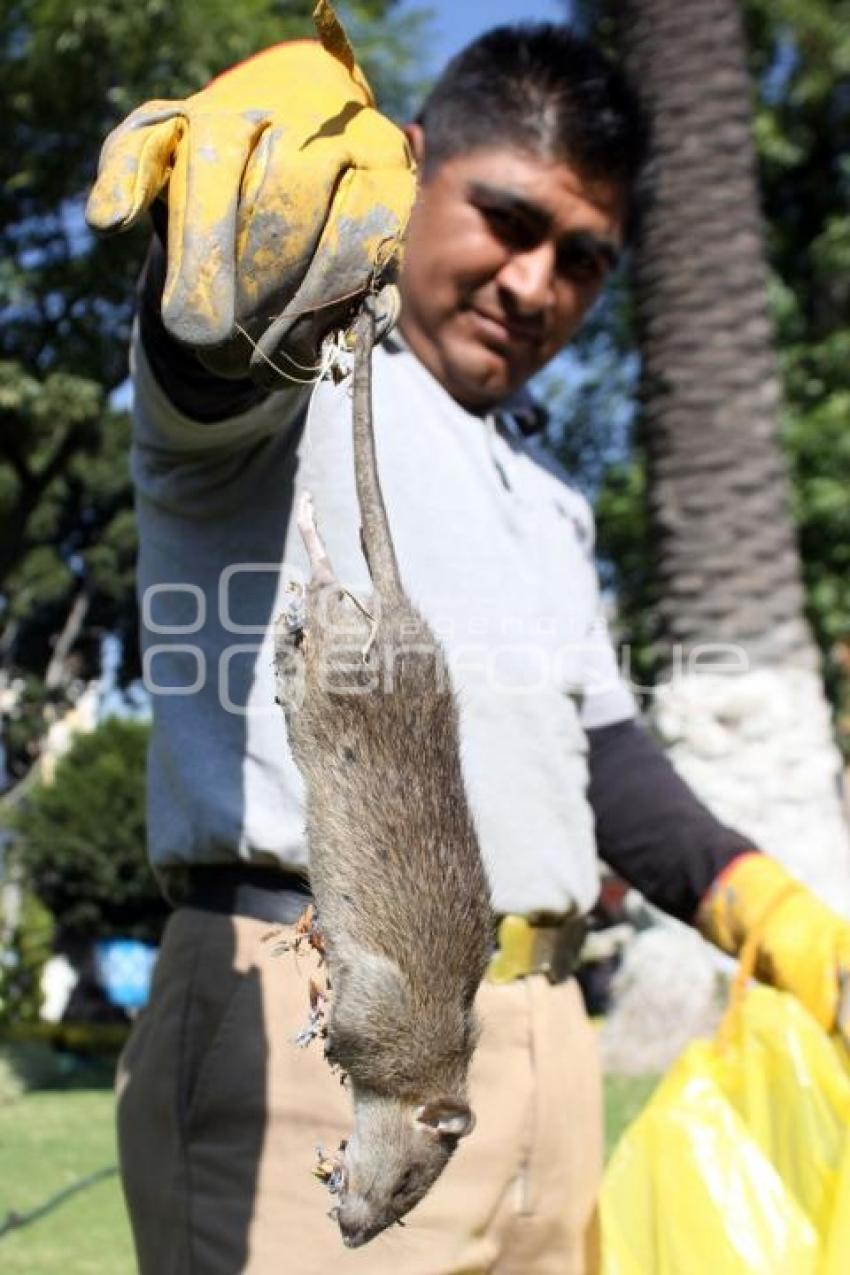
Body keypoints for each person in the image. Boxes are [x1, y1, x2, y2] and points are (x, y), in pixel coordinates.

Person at [87, 8, 850, 1274]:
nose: (536, 283)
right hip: (321, 1030)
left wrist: (777, 919)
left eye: (584, 258)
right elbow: (209, 363)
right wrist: (226, 255)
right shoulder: (320, 377)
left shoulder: (545, 498)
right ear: (413, 161)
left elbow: (604, 763)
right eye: (507, 219)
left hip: (548, 1048)